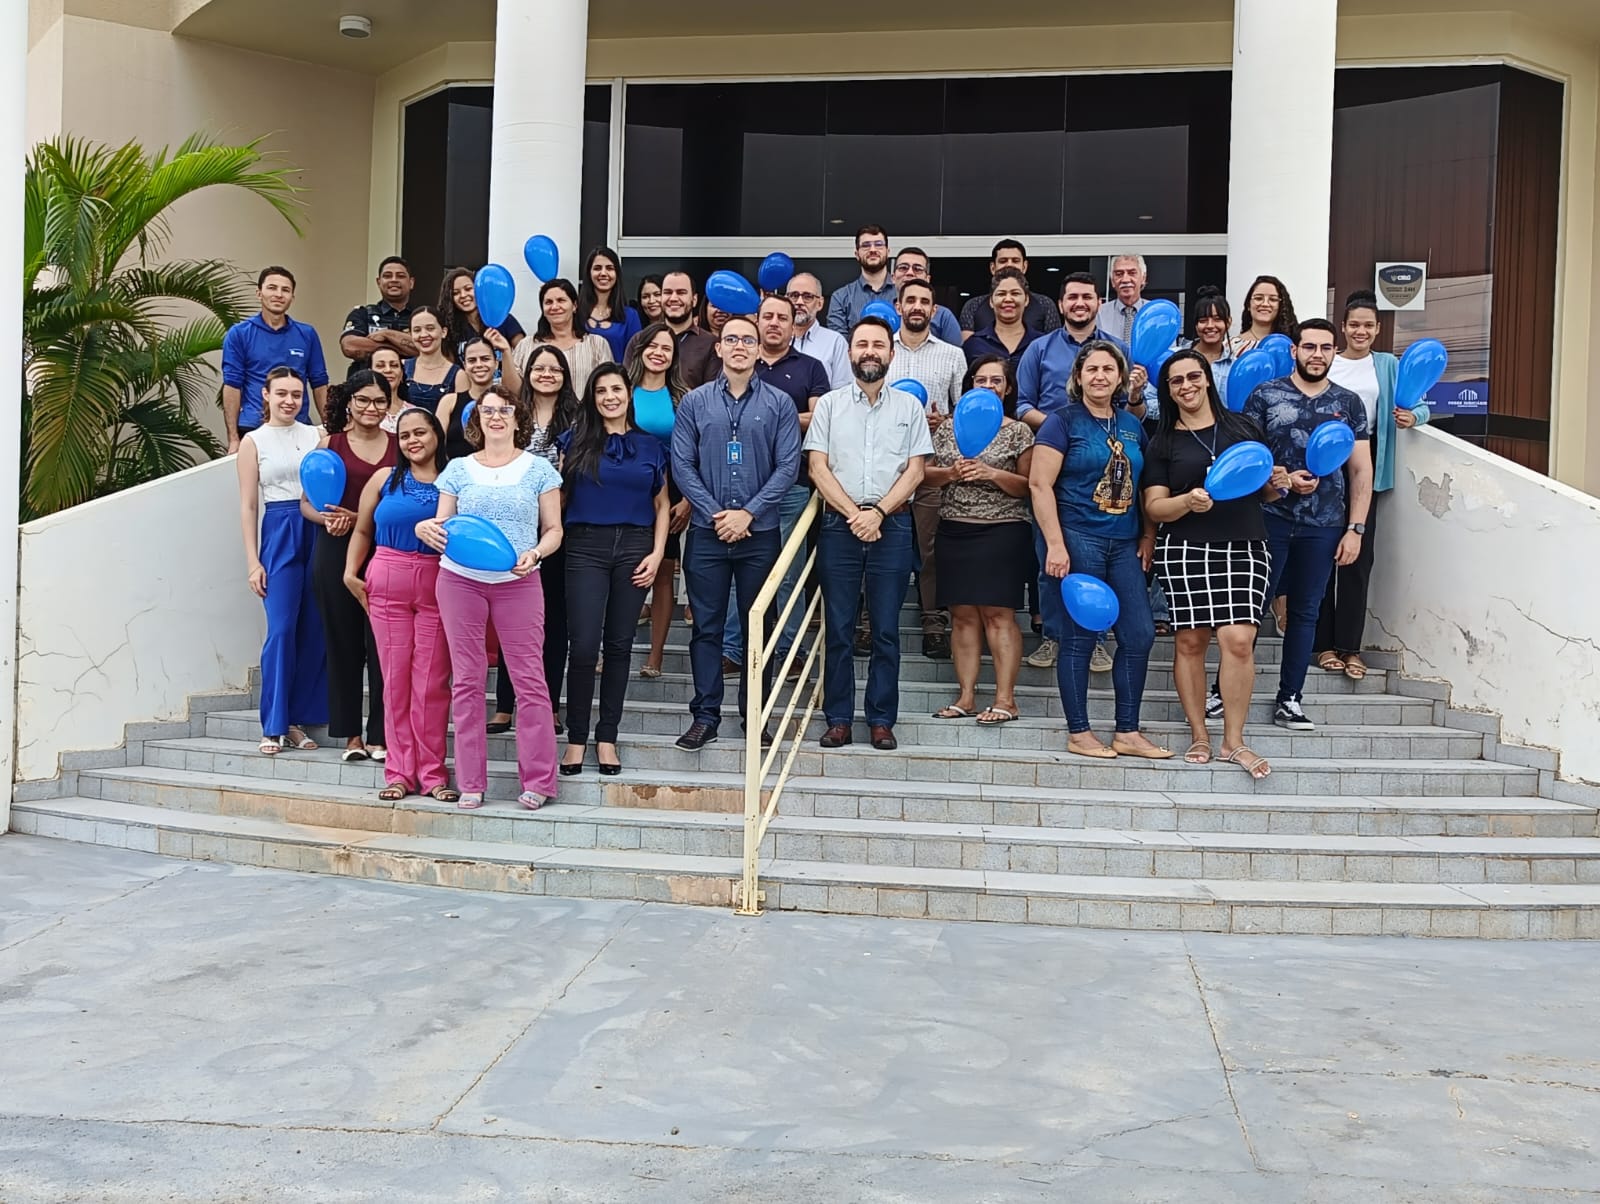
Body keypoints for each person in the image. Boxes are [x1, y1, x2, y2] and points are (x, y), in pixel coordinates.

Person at [417, 384, 565, 811]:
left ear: (517, 418)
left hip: (519, 580)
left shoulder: (539, 469)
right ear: (476, 420)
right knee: (466, 680)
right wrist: (424, 529)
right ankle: (470, 781)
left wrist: (535, 551)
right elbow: (442, 525)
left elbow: (554, 529)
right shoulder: (458, 469)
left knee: (529, 681)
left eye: (504, 410)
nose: (496, 417)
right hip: (460, 580)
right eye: (487, 410)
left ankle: (539, 779)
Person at [1142, 349, 1280, 780]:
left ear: (1207, 379)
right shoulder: (1163, 441)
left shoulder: (1243, 428)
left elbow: (1263, 490)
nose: (1186, 386)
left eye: (1193, 377)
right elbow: (1155, 508)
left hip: (1244, 543)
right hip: (1184, 549)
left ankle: (1233, 741)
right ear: (1167, 390)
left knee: (1239, 640)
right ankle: (1200, 733)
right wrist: (1187, 500)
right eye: (1176, 380)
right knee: (1190, 643)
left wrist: (1280, 483)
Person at [1029, 340, 1168, 760]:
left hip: (1124, 541)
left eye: (1109, 369)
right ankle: (1080, 731)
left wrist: (1148, 535)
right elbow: (1039, 485)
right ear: (1078, 377)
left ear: (1121, 378)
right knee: (1080, 636)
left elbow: (1144, 486)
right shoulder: (1061, 421)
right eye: (1092, 369)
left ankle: (1127, 730)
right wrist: (1055, 544)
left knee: (1139, 634)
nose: (1100, 376)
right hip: (1077, 537)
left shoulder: (1131, 424)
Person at [670, 315, 802, 751]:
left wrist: (748, 513)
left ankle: (756, 717)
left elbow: (788, 467)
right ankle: (705, 716)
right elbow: (682, 466)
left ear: (759, 347)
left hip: (759, 534)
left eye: (749, 339)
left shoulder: (780, 404)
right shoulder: (693, 403)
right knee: (706, 628)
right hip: (707, 536)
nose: (741, 346)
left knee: (756, 629)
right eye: (732, 339)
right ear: (720, 349)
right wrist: (714, 513)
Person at [1241, 318, 1374, 731]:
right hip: (1269, 519)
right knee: (1248, 610)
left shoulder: (1349, 403)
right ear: (1294, 350)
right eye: (1310, 347)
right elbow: (1247, 457)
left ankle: (1290, 698)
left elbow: (1360, 471)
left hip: (1324, 525)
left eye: (1326, 348)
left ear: (1335, 352)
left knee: (1305, 613)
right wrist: (1279, 477)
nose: (1318, 354)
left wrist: (1355, 529)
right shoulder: (1265, 395)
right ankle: (1222, 691)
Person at [807, 316, 932, 751]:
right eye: (862, 344)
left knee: (885, 630)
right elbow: (817, 467)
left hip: (893, 525)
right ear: (850, 352)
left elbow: (916, 470)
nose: (870, 352)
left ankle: (881, 719)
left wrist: (877, 512)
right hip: (838, 526)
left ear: (891, 353)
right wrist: (854, 514)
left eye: (878, 344)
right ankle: (838, 718)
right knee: (839, 628)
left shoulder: (909, 408)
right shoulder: (829, 405)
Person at [1017, 273, 1140, 671]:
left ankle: (1096, 637)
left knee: (1099, 576)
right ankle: (1054, 636)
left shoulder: (1119, 349)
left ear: (1098, 301)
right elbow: (1021, 405)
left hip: (1107, 469)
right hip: (1058, 451)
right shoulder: (1040, 348)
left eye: (1087, 296)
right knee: (1053, 564)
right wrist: (1064, 427)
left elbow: (1134, 408)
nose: (1080, 303)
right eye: (1072, 297)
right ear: (1062, 302)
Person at [556, 364, 670, 777]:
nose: (609, 397)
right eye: (601, 390)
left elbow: (662, 504)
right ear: (593, 397)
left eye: (616, 389)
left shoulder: (651, 445)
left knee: (620, 646)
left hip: (636, 547)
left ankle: (607, 737)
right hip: (585, 545)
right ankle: (576, 738)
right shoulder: (575, 441)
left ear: (629, 394)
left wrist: (658, 554)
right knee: (584, 645)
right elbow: (559, 498)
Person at [343, 406, 457, 803]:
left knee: (431, 682)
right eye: (405, 434)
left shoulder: (453, 480)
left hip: (436, 582)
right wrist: (349, 572)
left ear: (436, 435)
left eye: (420, 432)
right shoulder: (384, 478)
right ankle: (399, 773)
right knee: (394, 681)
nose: (413, 440)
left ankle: (433, 774)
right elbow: (361, 529)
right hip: (387, 576)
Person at [1315, 290, 1430, 681]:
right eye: (1353, 324)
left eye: (1368, 325)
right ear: (1343, 328)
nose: (1360, 331)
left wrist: (1413, 416)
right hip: (1324, 469)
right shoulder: (1328, 361)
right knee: (1320, 558)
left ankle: (1350, 648)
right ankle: (1322, 645)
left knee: (1358, 560)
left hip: (1368, 467)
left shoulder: (1388, 365)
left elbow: (1422, 404)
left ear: (1378, 329)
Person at [720, 294, 830, 672]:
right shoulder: (739, 364)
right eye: (767, 316)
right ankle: (734, 649)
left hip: (790, 485)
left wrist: (769, 416)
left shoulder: (811, 368)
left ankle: (790, 650)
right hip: (738, 488)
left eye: (782, 318)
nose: (774, 323)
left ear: (792, 324)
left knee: (788, 571)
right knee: (738, 571)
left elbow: (818, 419)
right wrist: (784, 416)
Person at [923, 355, 1034, 726]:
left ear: (1008, 388)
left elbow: (1027, 486)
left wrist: (990, 473)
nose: (987, 387)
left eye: (996, 381)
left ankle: (1006, 699)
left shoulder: (1019, 431)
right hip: (954, 527)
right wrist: (951, 472)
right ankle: (966, 696)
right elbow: (925, 474)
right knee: (962, 616)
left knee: (998, 614)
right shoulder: (948, 428)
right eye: (980, 380)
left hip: (1002, 529)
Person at [301, 372, 397, 763]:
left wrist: (359, 517)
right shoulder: (329, 445)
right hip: (334, 549)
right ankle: (351, 735)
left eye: (379, 401)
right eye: (363, 400)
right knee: (341, 643)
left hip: (386, 551)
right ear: (350, 402)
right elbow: (305, 503)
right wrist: (326, 520)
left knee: (383, 645)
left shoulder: (399, 447)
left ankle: (380, 734)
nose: (371, 408)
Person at [486, 345, 578, 735]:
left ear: (565, 375)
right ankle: (505, 704)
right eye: (539, 368)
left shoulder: (577, 416)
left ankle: (549, 703)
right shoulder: (512, 414)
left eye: (555, 369)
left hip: (558, 527)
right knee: (511, 619)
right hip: (515, 528)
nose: (546, 374)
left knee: (554, 621)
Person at [235, 367, 327, 754]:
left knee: (314, 627)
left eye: (296, 394)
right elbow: (248, 505)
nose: (290, 400)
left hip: (316, 527)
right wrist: (253, 561)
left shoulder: (317, 435)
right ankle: (272, 724)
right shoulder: (253, 441)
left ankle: (298, 719)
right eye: (282, 394)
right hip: (278, 529)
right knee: (282, 628)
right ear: (266, 396)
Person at [893, 278, 967, 659]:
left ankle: (934, 622)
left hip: (932, 467)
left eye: (925, 301)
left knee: (930, 549)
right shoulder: (880, 351)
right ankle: (873, 622)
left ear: (934, 310)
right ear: (899, 307)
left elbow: (965, 414)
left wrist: (944, 422)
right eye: (911, 301)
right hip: (885, 468)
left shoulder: (953, 355)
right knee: (879, 544)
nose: (917, 306)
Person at [624, 323, 692, 680]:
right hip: (625, 492)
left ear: (673, 356)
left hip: (672, 493)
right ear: (640, 349)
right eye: (653, 345)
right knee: (622, 573)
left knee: (664, 574)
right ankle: (614, 648)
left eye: (666, 348)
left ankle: (656, 654)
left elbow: (695, 453)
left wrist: (690, 502)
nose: (658, 353)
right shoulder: (623, 389)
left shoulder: (683, 396)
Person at [221, 266, 329, 452]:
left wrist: (330, 427)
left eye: (285, 290)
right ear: (259, 293)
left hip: (299, 427)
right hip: (253, 429)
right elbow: (232, 385)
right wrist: (233, 439)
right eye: (272, 288)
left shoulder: (307, 334)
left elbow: (319, 383)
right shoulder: (239, 334)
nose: (278, 294)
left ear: (292, 298)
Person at [513, 279, 612, 397]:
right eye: (548, 302)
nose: (555, 306)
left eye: (561, 300)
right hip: (535, 415)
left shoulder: (596, 344)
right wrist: (504, 352)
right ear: (543, 310)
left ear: (574, 306)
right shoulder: (526, 345)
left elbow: (607, 387)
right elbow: (513, 392)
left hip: (584, 415)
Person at [629, 270, 718, 390]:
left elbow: (712, 396)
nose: (673, 298)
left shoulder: (711, 344)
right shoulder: (639, 340)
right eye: (667, 292)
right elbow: (627, 385)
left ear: (694, 300)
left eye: (681, 293)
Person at [958, 239, 1061, 337]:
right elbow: (968, 348)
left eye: (1015, 261)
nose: (1009, 265)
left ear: (1024, 266)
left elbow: (1053, 346)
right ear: (992, 267)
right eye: (1003, 261)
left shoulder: (1045, 305)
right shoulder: (973, 306)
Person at [340, 256, 418, 374]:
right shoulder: (362, 313)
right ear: (378, 282)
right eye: (387, 276)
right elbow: (350, 346)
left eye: (400, 276)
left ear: (411, 283)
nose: (394, 280)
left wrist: (387, 334)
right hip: (368, 387)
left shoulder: (421, 317)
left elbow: (426, 349)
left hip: (409, 387)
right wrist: (403, 346)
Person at [438, 267, 526, 364]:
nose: (463, 295)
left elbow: (524, 355)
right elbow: (448, 366)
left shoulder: (503, 318)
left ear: (479, 290)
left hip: (504, 379)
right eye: (455, 293)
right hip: (465, 379)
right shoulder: (450, 327)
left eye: (468, 289)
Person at [437, 336, 501, 462]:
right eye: (472, 360)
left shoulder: (506, 402)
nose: (479, 364)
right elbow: (437, 445)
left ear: (496, 363)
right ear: (465, 366)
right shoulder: (449, 402)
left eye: (485, 359)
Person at [963, 268, 1044, 366]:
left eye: (1015, 293)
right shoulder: (973, 344)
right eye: (1001, 294)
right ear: (991, 302)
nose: (1008, 299)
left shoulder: (1042, 343)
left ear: (1026, 300)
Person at [824, 225, 895, 334]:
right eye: (866, 245)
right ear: (857, 254)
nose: (872, 250)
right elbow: (839, 343)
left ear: (888, 251)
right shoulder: (841, 297)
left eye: (878, 244)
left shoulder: (903, 294)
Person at [787, 272, 852, 389]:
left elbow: (842, 393)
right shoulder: (775, 339)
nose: (799, 302)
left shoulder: (835, 342)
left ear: (820, 303)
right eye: (794, 295)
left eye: (807, 297)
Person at [887, 247, 964, 345]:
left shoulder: (943, 316)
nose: (910, 273)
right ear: (893, 277)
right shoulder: (880, 311)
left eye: (917, 269)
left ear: (927, 278)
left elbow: (954, 354)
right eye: (903, 268)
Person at [580, 246, 643, 362]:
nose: (603, 273)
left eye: (609, 268)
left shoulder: (630, 316)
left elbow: (635, 359)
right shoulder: (576, 313)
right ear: (589, 273)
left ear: (617, 274)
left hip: (617, 379)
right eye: (597, 268)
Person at [402, 307, 465, 416]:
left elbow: (459, 421)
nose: (424, 335)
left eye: (430, 328)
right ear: (411, 335)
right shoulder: (401, 367)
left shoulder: (459, 376)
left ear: (444, 332)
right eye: (417, 330)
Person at [1182, 286, 1238, 399]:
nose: (1210, 326)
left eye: (1217, 319)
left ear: (1228, 322)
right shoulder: (1177, 358)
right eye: (1203, 320)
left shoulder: (1236, 366)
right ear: (1196, 325)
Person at [1238, 274, 1298, 352]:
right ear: (1248, 305)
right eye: (1258, 298)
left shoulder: (1294, 344)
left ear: (1281, 306)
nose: (1265, 304)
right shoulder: (1230, 347)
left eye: (1273, 299)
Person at [1100, 254, 1150, 345]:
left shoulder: (1156, 312)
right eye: (1119, 274)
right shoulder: (1099, 314)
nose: (1125, 279)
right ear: (1112, 281)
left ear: (1143, 278)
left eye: (1132, 273)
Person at [369, 348, 409, 430]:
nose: (388, 370)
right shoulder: (358, 412)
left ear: (401, 373)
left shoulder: (415, 412)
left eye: (394, 365)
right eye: (380, 366)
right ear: (369, 372)